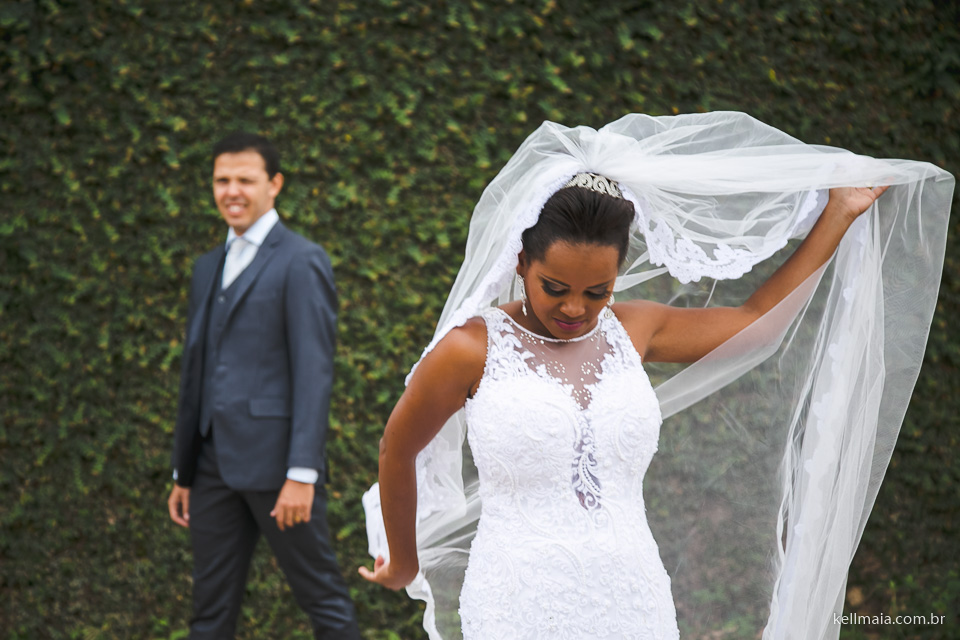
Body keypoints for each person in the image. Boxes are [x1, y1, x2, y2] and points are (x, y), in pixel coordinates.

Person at [359, 113, 953, 639]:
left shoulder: (632, 330)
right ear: (522, 261)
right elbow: (397, 447)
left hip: (632, 592)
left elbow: (755, 323)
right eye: (555, 288)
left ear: (619, 273)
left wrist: (839, 215)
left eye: (597, 291)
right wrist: (405, 562)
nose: (574, 309)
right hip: (517, 599)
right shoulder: (472, 348)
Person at [166, 132, 361, 639]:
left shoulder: (301, 260)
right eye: (221, 180)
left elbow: (314, 372)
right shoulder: (208, 265)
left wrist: (302, 472)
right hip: (210, 467)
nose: (232, 190)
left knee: (324, 601)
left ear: (274, 185)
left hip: (279, 470)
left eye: (245, 180)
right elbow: (197, 371)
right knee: (209, 613)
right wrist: (184, 469)